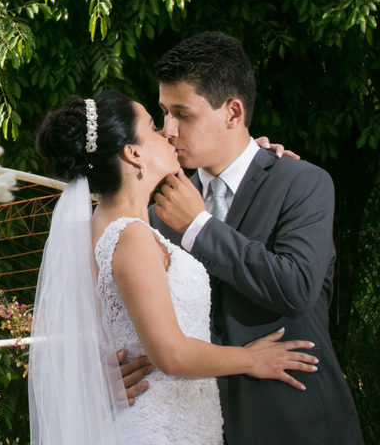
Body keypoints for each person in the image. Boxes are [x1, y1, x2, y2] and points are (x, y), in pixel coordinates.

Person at [28, 90, 317, 445]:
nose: (167, 133)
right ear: (133, 153)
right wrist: (251, 359)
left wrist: (253, 162)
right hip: (162, 429)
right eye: (153, 125)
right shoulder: (131, 236)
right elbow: (172, 354)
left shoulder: (108, 229)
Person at [149, 31, 364, 445]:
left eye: (183, 114)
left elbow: (296, 287)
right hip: (197, 425)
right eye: (163, 113)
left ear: (232, 112)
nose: (169, 130)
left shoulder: (303, 183)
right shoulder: (159, 209)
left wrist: (198, 227)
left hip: (297, 423)